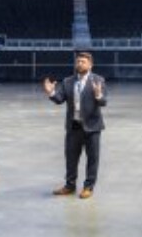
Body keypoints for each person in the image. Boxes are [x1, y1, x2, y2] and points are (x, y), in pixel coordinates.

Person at [44, 52, 107, 199]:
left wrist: (98, 95)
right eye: (78, 61)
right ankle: (69, 186)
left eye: (83, 62)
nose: (80, 64)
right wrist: (51, 92)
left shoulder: (98, 80)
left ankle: (88, 187)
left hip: (92, 127)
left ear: (90, 64)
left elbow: (104, 102)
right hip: (74, 126)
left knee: (92, 159)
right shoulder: (68, 81)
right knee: (71, 158)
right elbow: (60, 99)